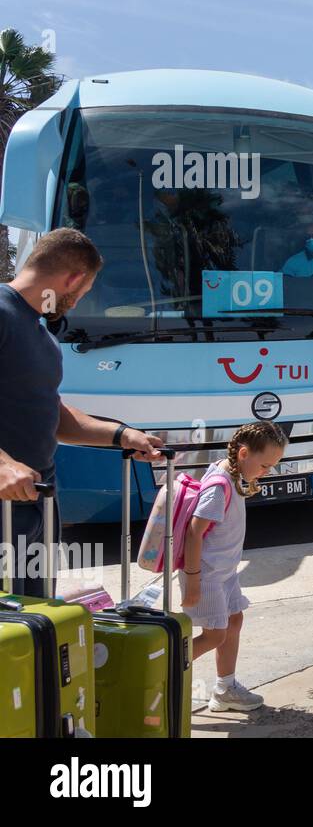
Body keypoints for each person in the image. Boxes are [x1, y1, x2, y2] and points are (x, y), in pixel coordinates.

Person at [0, 229, 164, 598]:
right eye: (83, 293)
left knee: (34, 620)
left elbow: (51, 413)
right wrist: (2, 464)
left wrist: (121, 434)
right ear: (72, 278)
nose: (74, 304)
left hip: (37, 500)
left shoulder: (41, 336)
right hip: (5, 504)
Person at [182, 420, 286, 712]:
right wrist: (192, 580)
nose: (267, 471)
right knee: (215, 633)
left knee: (234, 621)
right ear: (243, 454)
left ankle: (225, 689)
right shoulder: (219, 486)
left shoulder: (229, 474)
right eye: (265, 465)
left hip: (224, 573)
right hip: (207, 576)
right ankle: (161, 669)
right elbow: (194, 532)